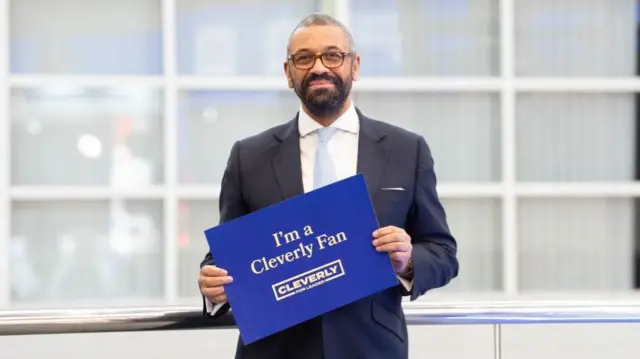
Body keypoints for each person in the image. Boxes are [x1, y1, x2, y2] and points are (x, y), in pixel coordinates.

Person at [198, 13, 459, 359]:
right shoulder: (248, 156)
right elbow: (227, 255)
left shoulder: (406, 150)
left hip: (369, 348)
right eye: (304, 58)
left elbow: (443, 252)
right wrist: (213, 285)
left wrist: (408, 262)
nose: (319, 67)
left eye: (333, 55)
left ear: (355, 66)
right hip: (274, 349)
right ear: (289, 73)